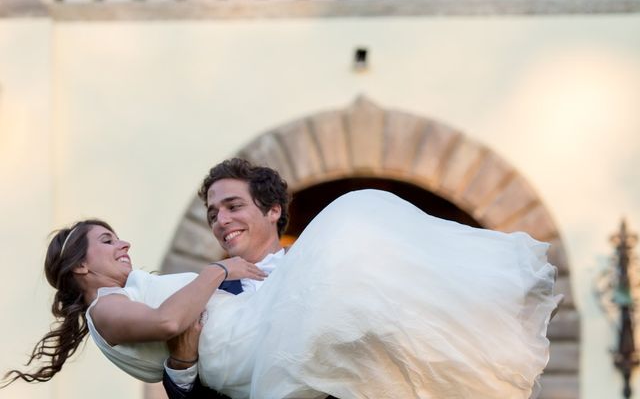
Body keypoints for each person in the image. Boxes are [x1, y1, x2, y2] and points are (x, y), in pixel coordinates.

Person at [3, 187, 560, 398]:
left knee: (362, 240)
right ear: (80, 267)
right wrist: (219, 273)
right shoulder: (109, 309)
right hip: (253, 349)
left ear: (272, 212)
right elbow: (174, 327)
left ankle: (482, 325)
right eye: (107, 241)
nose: (124, 244)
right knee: (354, 225)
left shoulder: (288, 266)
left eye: (233, 207)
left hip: (263, 329)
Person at [163, 159, 291, 399]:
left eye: (233, 207)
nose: (220, 221)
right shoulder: (204, 297)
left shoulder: (313, 267)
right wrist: (182, 365)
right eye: (213, 215)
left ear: (273, 210)